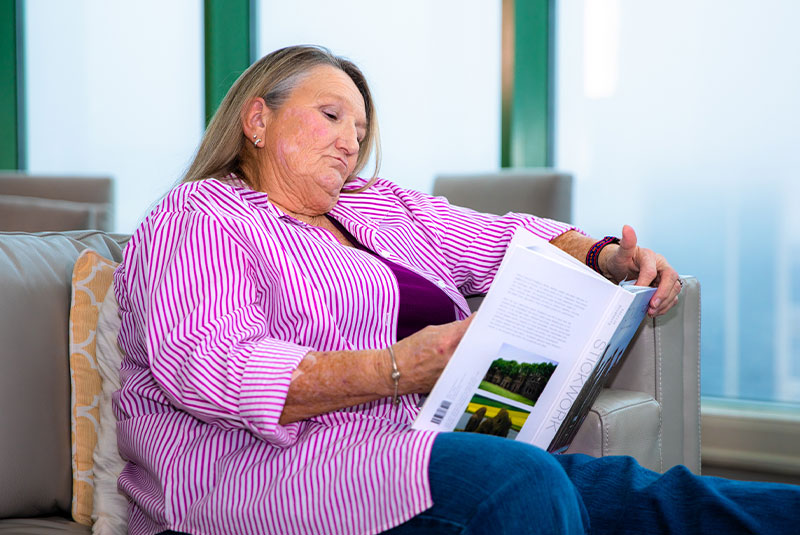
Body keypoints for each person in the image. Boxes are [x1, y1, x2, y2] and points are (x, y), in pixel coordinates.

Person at [114, 45, 799, 535]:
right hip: (259, 473)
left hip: (411, 445)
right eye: (330, 116)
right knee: (521, 480)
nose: (350, 142)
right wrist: (402, 365)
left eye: (359, 129)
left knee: (648, 494)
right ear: (257, 121)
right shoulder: (201, 216)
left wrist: (607, 254)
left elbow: (508, 239)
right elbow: (217, 370)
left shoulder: (377, 207)